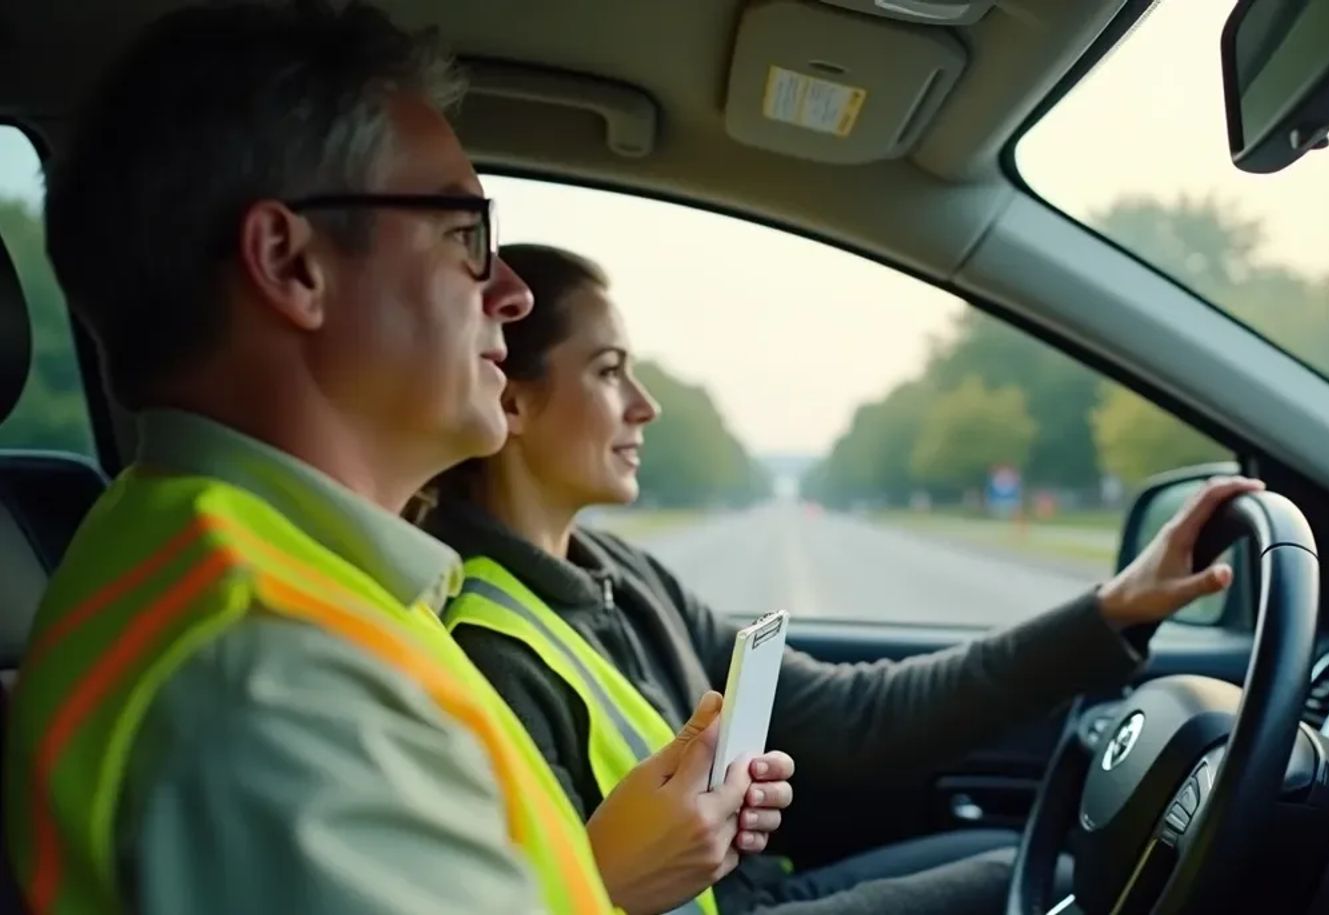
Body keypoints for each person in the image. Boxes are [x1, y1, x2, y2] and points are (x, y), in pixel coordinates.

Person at [2, 7, 787, 914]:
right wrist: (609, 885)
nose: (511, 291)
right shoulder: (280, 684)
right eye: (464, 234)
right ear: (291, 264)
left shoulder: (245, 564)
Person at [419, 243, 1266, 914]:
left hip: (757, 889)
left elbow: (857, 716)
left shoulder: (620, 571)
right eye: (608, 371)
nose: (646, 404)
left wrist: (1113, 608)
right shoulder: (480, 645)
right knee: (1042, 879)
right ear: (513, 400)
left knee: (1022, 862)